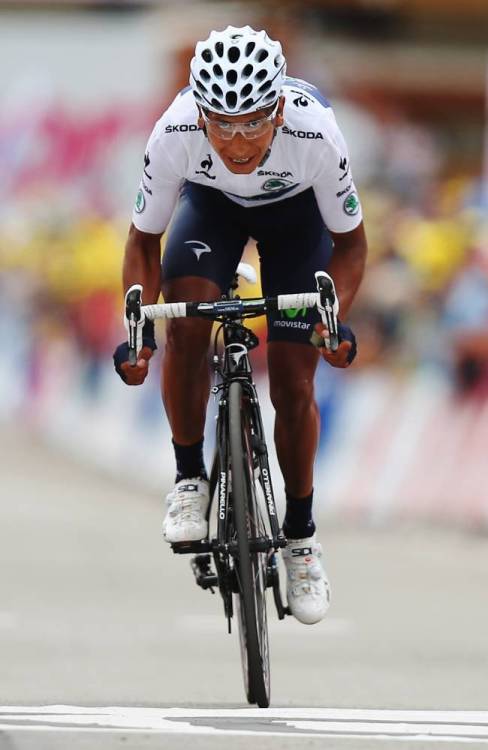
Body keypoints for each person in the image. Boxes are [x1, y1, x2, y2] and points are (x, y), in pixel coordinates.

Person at [114, 25, 367, 625]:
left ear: (278, 108)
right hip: (212, 212)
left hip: (296, 221)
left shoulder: (316, 132)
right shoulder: (175, 129)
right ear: (199, 114)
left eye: (253, 121)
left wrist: (333, 323)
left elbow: (351, 247)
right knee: (186, 324)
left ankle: (302, 536)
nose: (237, 141)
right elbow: (144, 242)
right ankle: (188, 478)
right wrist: (140, 334)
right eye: (221, 123)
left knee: (292, 379)